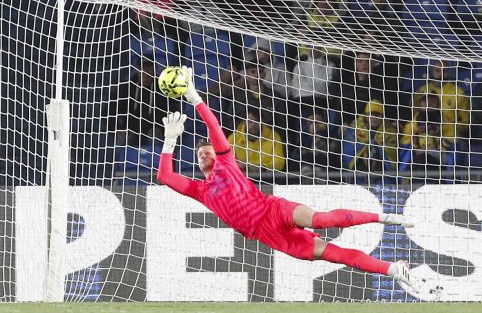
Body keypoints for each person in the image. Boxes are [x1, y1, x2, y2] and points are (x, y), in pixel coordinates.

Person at [156, 69, 417, 288]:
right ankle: (393, 269)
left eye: (207, 150)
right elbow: (165, 175)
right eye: (199, 154)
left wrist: (193, 96)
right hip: (267, 234)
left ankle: (384, 217)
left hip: (273, 209)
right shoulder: (199, 190)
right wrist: (170, 139)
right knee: (334, 255)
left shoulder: (226, 161)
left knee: (321, 220)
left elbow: (213, 126)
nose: (203, 154)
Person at [227, 105, 287, 172]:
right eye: (250, 121)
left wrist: (263, 168)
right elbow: (227, 162)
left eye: (257, 121)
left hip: (266, 176)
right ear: (244, 121)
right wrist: (240, 166)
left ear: (262, 121)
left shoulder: (273, 136)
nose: (253, 125)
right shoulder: (233, 138)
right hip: (242, 175)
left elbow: (279, 162)